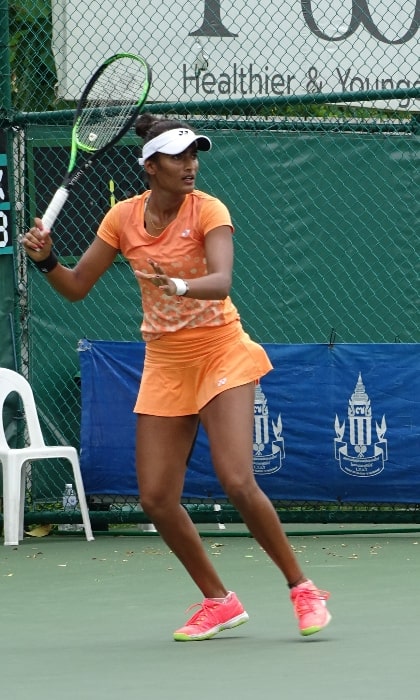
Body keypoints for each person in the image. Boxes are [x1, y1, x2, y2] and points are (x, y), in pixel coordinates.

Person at [22, 113, 331, 641]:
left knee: (236, 479)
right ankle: (219, 600)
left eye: (194, 156)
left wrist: (180, 287)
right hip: (165, 360)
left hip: (221, 351)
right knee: (157, 497)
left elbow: (222, 280)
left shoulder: (209, 209)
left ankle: (302, 588)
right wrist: (49, 261)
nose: (191, 166)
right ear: (150, 166)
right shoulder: (121, 219)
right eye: (178, 157)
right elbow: (76, 287)